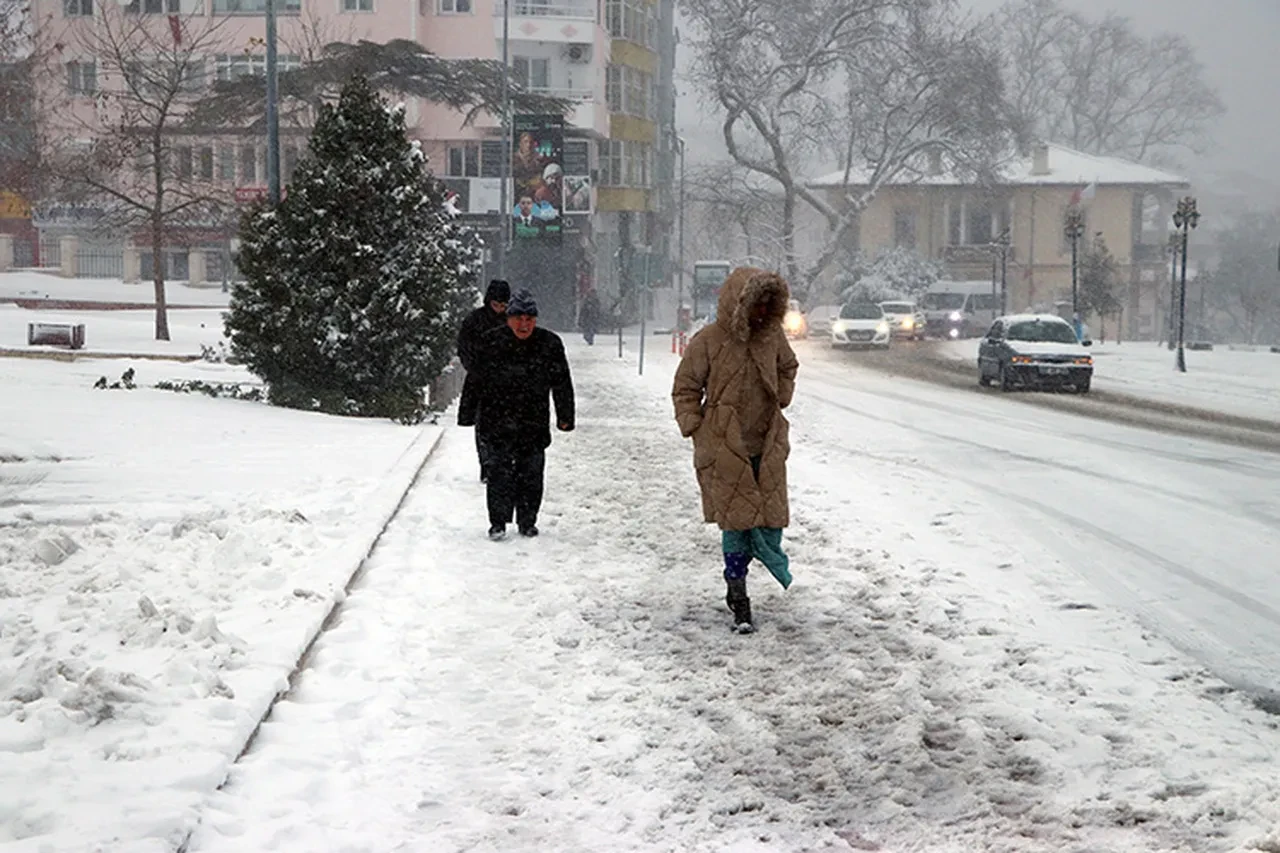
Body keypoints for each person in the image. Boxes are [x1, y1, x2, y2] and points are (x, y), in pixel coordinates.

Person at [671, 267, 799, 634]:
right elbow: (686, 387)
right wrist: (696, 425)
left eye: (766, 305)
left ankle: (757, 565)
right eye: (754, 305)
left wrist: (782, 395)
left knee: (769, 520)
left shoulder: (772, 338)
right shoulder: (709, 340)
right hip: (723, 445)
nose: (760, 313)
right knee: (735, 521)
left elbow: (789, 368)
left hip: (767, 443)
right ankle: (737, 591)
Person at [460, 289, 575, 541]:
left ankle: (527, 521)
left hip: (533, 420)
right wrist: (467, 412)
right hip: (497, 418)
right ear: (509, 319)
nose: (524, 325)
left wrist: (565, 415)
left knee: (531, 473)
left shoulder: (549, 344)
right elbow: (475, 379)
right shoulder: (491, 342)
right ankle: (498, 522)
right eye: (518, 319)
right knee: (499, 472)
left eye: (530, 319)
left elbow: (562, 382)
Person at [456, 279, 510, 481]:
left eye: (503, 305)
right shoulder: (474, 320)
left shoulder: (510, 321)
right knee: (483, 425)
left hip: (506, 384)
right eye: (496, 304)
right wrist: (475, 367)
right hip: (481, 382)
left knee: (504, 424)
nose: (499, 309)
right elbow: (464, 346)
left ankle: (501, 462)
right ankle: (487, 464)